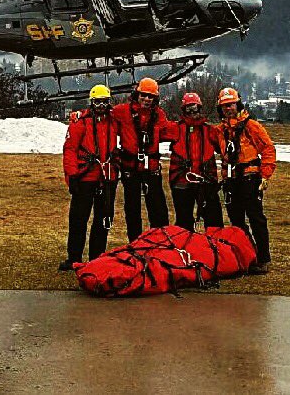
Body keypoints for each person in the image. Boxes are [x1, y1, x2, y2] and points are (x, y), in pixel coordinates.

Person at [215, 87, 276, 274]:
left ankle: (264, 259)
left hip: (250, 178)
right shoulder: (220, 131)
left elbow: (268, 149)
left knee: (256, 218)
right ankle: (247, 255)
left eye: (231, 104)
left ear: (238, 104)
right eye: (225, 106)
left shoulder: (252, 127)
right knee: (236, 221)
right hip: (231, 181)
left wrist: (265, 175)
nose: (228, 108)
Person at [59, 84, 120, 271]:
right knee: (78, 219)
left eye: (104, 102)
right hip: (85, 178)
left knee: (103, 220)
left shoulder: (115, 121)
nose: (101, 105)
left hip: (107, 178)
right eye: (98, 102)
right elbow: (70, 149)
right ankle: (74, 257)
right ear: (92, 103)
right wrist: (72, 176)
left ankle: (97, 257)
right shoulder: (80, 122)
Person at [112, 77, 170, 241]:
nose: (146, 99)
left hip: (151, 169)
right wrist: (80, 115)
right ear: (136, 94)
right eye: (143, 95)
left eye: (150, 96)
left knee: (158, 210)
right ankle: (135, 244)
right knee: (132, 210)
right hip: (130, 169)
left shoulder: (159, 115)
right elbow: (102, 115)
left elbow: (171, 131)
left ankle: (160, 243)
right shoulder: (122, 111)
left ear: (155, 98)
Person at [160, 92, 224, 231]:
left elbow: (224, 148)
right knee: (184, 223)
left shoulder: (210, 131)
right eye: (188, 108)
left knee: (214, 222)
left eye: (194, 107)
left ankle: (214, 250)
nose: (192, 111)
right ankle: (185, 250)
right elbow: (156, 130)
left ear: (200, 108)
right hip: (182, 183)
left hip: (206, 182)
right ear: (184, 110)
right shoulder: (176, 129)